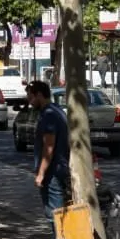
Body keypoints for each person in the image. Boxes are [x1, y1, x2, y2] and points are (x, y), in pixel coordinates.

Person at [30, 80, 70, 211]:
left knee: (55, 213)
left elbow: (49, 146)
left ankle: (59, 233)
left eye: (31, 97)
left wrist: (41, 174)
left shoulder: (49, 115)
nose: (29, 102)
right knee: (59, 212)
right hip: (60, 168)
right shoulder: (56, 110)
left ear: (39, 95)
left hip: (53, 172)